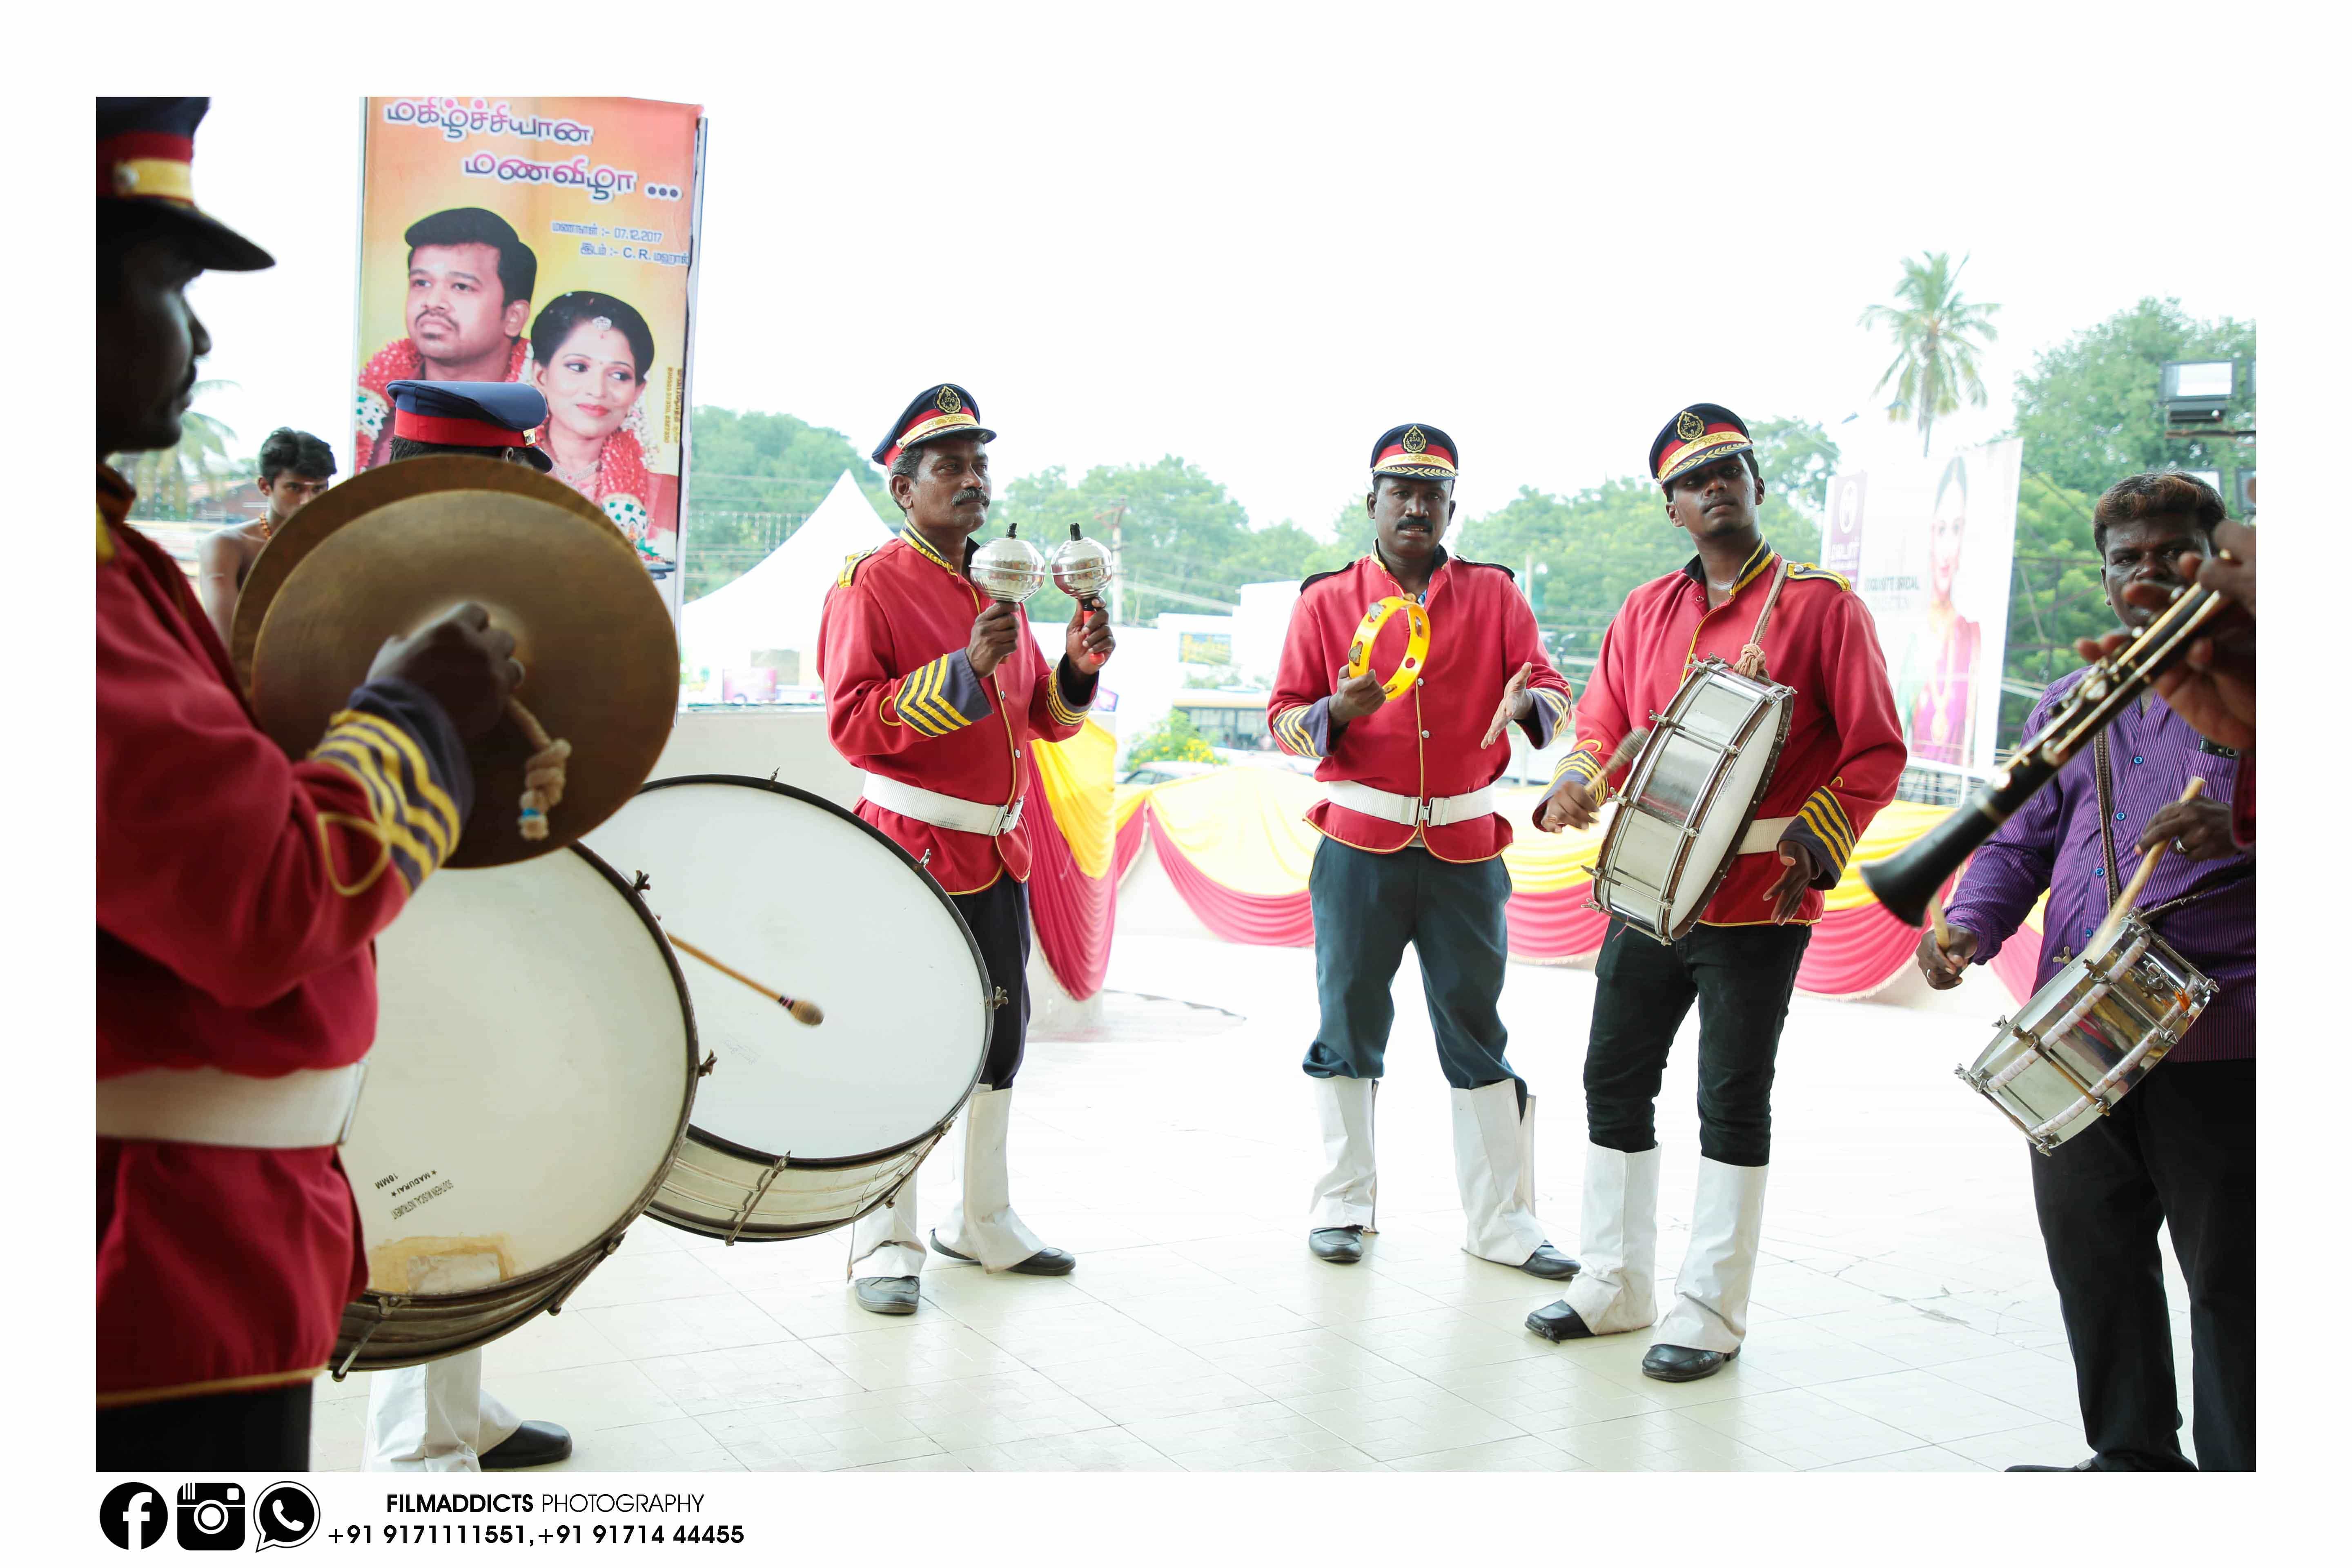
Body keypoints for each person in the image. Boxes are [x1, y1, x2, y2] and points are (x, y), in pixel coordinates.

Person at [96, 98, 518, 1470]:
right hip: (149, 1261)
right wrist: (412, 714)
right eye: (171, 284)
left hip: (203, 1228)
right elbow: (265, 897)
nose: (202, 338)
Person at [1522, 403, 1906, 1381]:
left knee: (1729, 1100)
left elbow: (1872, 747)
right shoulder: (1644, 608)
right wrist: (1577, 778)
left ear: (1757, 487)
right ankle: (1612, 1282)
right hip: (1646, 893)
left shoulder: (1821, 607)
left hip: (1754, 901)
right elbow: (1605, 720)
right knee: (1612, 1077)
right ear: (1671, 509)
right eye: (1695, 478)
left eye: (1731, 467)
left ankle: (1708, 1309)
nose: (1716, 484)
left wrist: (1819, 841)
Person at [1919, 472, 2253, 1471]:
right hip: (2075, 1028)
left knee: (2230, 1275)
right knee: (2091, 1254)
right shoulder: (2071, 699)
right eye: (2124, 559)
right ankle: (2129, 1459)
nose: (2145, 571)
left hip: (2220, 1026)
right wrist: (1966, 928)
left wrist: (2241, 823)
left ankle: (2250, 1488)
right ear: (2104, 578)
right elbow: (2019, 841)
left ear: (2212, 557)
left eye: (2168, 550)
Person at [817, 383, 1114, 1315]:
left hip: (998, 855)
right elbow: (851, 724)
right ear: (903, 489)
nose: (972, 481)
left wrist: (1078, 663)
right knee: (903, 1045)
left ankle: (979, 1219)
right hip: (906, 854)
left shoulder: (1003, 583)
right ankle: (884, 1240)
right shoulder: (867, 583)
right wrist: (963, 669)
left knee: (998, 1043)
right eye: (949, 467)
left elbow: (1042, 724)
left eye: (979, 465)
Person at [1265, 424, 1580, 1280]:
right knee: (1348, 1022)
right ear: (1372, 503)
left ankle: (1503, 1221)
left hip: (1468, 849)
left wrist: (1528, 709)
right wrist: (1337, 708)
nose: (1414, 505)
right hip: (1358, 843)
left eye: (1431, 493)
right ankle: (1342, 1204)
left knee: (1477, 1028)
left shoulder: (1498, 597)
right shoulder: (1326, 601)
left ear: (1451, 508)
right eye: (1398, 490)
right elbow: (1284, 718)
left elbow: (1554, 692)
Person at [359, 380, 571, 1472]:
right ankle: (415, 1452)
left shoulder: (488, 592)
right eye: (511, 477)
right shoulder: (368, 592)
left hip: (473, 896)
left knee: (477, 1153)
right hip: (401, 910)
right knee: (420, 1168)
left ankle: (459, 1404)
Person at [356, 207, 537, 470]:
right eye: (421, 283)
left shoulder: (556, 420)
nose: (433, 302)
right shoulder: (378, 414)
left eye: (461, 287)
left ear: (514, 317)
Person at [528, 290, 658, 546]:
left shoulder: (661, 494)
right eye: (578, 367)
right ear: (541, 376)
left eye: (619, 375)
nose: (598, 390)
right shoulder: (503, 464)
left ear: (638, 391)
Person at [195, 425, 335, 644]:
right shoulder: (226, 546)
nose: (308, 501)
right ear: (265, 486)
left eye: (318, 489)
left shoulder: (339, 542)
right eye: (295, 488)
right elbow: (229, 643)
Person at [1894, 454, 1981, 765]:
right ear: (1930, 536)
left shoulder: (1971, 634)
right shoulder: (1910, 631)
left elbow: (1971, 730)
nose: (1947, 547)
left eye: (1956, 529)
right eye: (1941, 528)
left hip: (1952, 790)